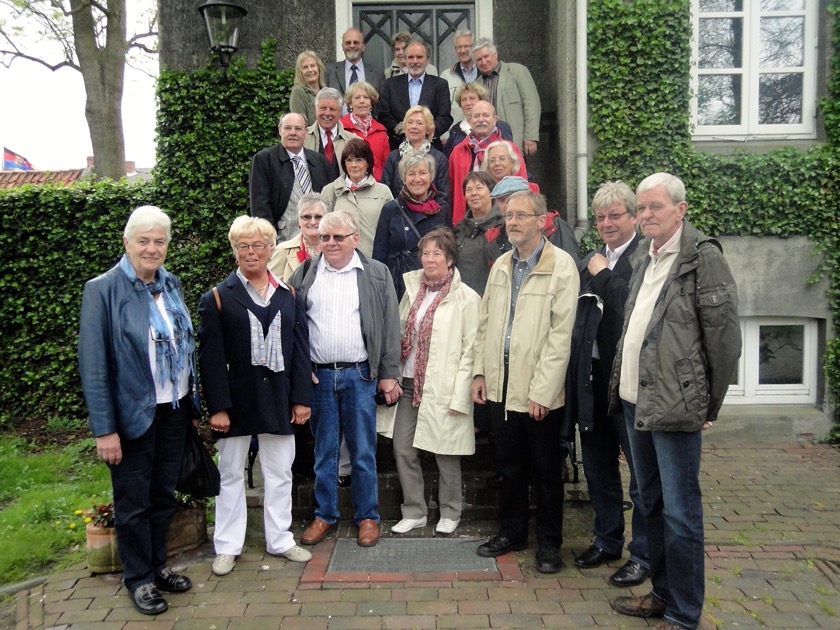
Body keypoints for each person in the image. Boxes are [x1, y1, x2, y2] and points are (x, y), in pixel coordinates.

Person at [610, 173, 741, 630]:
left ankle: (685, 614)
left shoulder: (702, 259)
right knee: (649, 503)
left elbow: (724, 339)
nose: (646, 215)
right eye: (641, 208)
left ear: (681, 209)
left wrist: (709, 405)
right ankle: (662, 595)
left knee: (681, 513)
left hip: (674, 405)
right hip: (635, 401)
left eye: (655, 207)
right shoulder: (645, 259)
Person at [78, 205, 198, 616]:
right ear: (126, 242)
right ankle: (139, 579)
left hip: (174, 408)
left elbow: (184, 347)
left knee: (163, 494)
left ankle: (158, 565)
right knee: (133, 502)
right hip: (132, 415)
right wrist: (104, 430)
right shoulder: (103, 289)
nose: (152, 248)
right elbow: (94, 366)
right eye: (143, 240)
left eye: (159, 241)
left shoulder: (171, 284)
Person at [199, 216, 313, 577]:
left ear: (270, 249)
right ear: (235, 252)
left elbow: (299, 351)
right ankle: (228, 546)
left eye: (259, 245)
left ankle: (279, 538)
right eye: (243, 246)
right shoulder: (217, 297)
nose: (252, 252)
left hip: (279, 399)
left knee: (280, 472)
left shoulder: (289, 295)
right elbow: (211, 359)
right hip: (235, 404)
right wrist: (217, 407)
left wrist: (301, 399)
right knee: (230, 473)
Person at [471, 190, 578, 575]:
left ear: (541, 220)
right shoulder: (501, 264)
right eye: (508, 216)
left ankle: (549, 544)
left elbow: (560, 335)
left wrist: (543, 392)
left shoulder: (561, 266)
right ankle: (512, 532)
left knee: (547, 472)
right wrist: (480, 373)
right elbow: (485, 324)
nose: (512, 222)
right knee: (510, 465)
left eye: (520, 215)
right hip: (501, 387)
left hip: (539, 394)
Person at [290, 210, 402, 549]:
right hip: (319, 377)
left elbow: (390, 325)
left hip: (359, 375)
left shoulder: (376, 273)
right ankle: (325, 514)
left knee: (363, 451)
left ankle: (367, 516)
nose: (331, 243)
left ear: (355, 238)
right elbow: (291, 326)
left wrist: (388, 374)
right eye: (325, 237)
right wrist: (299, 369)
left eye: (339, 236)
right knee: (324, 452)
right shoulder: (306, 273)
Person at [563, 181, 649, 587]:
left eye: (615, 215)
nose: (607, 223)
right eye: (600, 217)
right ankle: (607, 539)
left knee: (640, 470)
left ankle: (644, 554)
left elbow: (631, 306)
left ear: (633, 216)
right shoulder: (591, 259)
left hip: (627, 382)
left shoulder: (644, 257)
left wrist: (602, 274)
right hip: (593, 377)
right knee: (597, 464)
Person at [378, 227, 479, 536]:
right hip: (408, 384)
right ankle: (415, 511)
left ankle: (450, 511)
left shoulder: (466, 298)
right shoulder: (412, 291)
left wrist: (460, 394)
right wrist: (391, 374)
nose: (430, 259)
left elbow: (471, 349)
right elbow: (396, 335)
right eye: (425, 253)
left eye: (437, 253)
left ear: (449, 259)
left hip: (444, 387)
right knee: (403, 449)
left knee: (446, 452)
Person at [373, 151, 450, 300]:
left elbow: (450, 252)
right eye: (411, 174)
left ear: (431, 176)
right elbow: (379, 254)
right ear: (403, 178)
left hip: (433, 286)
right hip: (398, 286)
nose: (417, 179)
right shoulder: (391, 209)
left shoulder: (442, 208)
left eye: (422, 173)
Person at [250, 112, 334, 243]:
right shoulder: (264, 159)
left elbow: (330, 201)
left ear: (306, 132)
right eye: (288, 128)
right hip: (282, 242)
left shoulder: (320, 161)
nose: (293, 133)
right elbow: (260, 205)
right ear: (280, 130)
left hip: (319, 242)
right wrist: (268, 241)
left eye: (298, 128)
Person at [449, 102, 524, 224]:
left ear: (494, 119)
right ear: (470, 120)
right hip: (467, 222)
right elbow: (452, 190)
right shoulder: (457, 152)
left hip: (503, 219)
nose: (481, 119)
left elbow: (521, 185)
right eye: (476, 116)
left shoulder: (510, 149)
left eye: (486, 115)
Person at [321, 138, 394, 258]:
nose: (353, 165)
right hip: (339, 261)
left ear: (368, 163)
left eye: (359, 160)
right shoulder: (329, 191)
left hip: (373, 261)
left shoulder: (383, 192)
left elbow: (391, 231)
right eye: (349, 160)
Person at [378, 40, 453, 151]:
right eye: (411, 57)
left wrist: (425, 132)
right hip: (398, 147)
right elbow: (383, 116)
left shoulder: (440, 85)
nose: (415, 61)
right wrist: (402, 129)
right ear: (405, 60)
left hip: (430, 148)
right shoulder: (390, 84)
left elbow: (445, 117)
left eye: (419, 57)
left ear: (427, 60)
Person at [472, 38, 541, 156]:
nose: (483, 62)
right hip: (488, 144)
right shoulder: (477, 83)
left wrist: (530, 136)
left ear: (495, 54)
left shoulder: (516, 71)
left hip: (514, 139)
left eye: (486, 56)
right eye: (479, 59)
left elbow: (531, 103)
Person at [489, 176, 580, 263]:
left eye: (512, 198)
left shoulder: (555, 226)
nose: (507, 204)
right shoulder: (497, 235)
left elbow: (571, 265)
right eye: (501, 200)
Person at [452, 171, 503, 296]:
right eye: (468, 190)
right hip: (465, 301)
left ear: (491, 192)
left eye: (479, 188)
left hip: (496, 297)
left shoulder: (504, 225)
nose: (473, 193)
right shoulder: (460, 229)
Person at [381, 105, 449, 199]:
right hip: (398, 212)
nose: (414, 127)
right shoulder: (393, 157)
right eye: (410, 122)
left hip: (430, 212)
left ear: (428, 129)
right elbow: (385, 191)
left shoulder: (439, 158)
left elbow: (443, 195)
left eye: (419, 123)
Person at [443, 82, 514, 157]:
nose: (468, 103)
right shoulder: (455, 131)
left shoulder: (500, 126)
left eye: (472, 98)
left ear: (481, 100)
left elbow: (511, 156)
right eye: (464, 99)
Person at [269, 193, 327, 282]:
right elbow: (270, 288)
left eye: (318, 217)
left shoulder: (337, 248)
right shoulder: (282, 250)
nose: (312, 222)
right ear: (299, 221)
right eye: (306, 217)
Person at [340, 81, 391, 181]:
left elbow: (386, 165)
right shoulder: (341, 127)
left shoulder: (381, 130)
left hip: (376, 186)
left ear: (371, 103)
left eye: (366, 97)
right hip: (349, 186)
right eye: (357, 98)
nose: (362, 101)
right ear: (350, 103)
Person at [304, 87, 356, 180]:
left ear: (340, 112)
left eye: (332, 109)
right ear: (315, 109)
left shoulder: (353, 141)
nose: (327, 113)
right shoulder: (303, 138)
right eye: (323, 108)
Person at [325, 28, 385, 102]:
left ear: (363, 47)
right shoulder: (329, 71)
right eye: (348, 43)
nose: (352, 46)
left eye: (356, 42)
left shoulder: (377, 74)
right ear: (342, 46)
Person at [439, 29, 478, 123]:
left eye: (466, 46)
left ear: (474, 47)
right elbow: (440, 109)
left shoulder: (484, 73)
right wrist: (445, 136)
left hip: (482, 131)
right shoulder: (446, 76)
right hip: (455, 133)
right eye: (459, 47)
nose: (463, 50)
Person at [289, 50, 327, 126]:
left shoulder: (326, 91)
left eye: (312, 66)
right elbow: (299, 123)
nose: (310, 70)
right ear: (300, 72)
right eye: (305, 67)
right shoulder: (298, 91)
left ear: (318, 68)